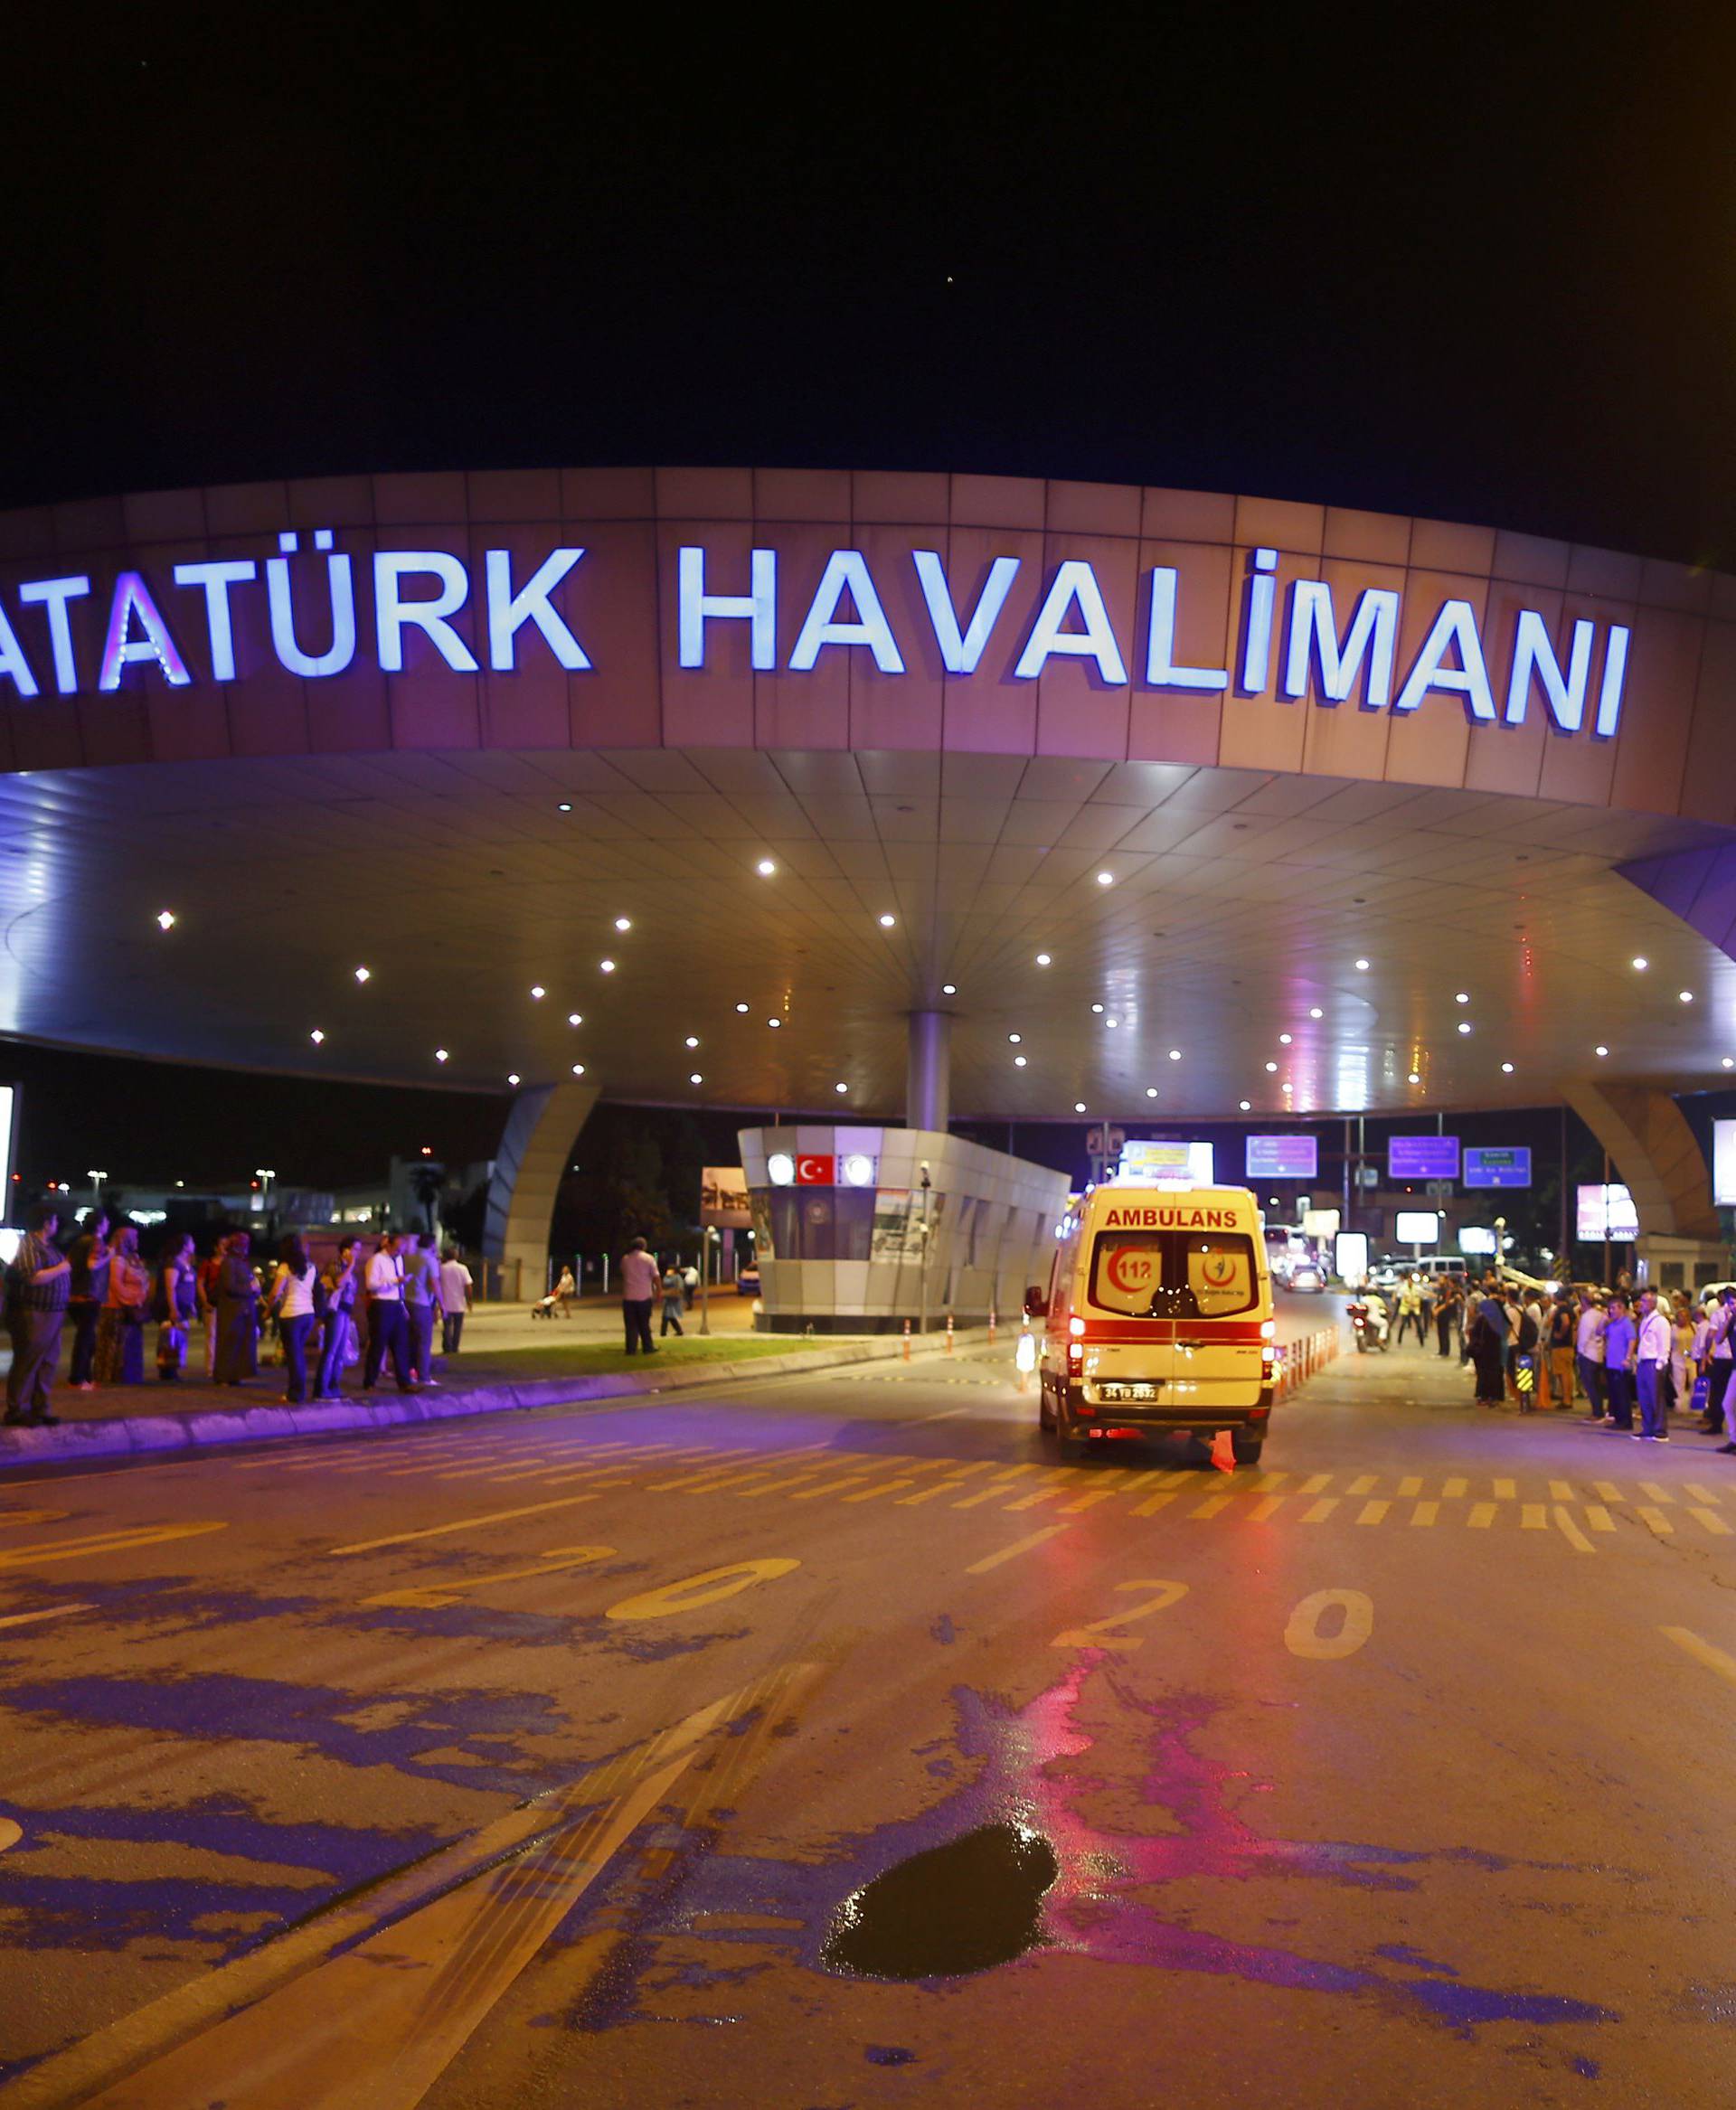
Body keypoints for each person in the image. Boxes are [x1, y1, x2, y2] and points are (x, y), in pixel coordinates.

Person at [5, 1205, 70, 1427]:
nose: (57, 1225)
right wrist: (62, 1269)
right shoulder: (30, 1245)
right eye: (54, 1221)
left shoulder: (48, 1246)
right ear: (46, 1223)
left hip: (53, 1313)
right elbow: (33, 1277)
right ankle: (18, 1409)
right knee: (28, 1361)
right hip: (34, 1312)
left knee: (47, 1362)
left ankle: (40, 1406)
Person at [262, 1234, 321, 1406]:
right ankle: (297, 1391)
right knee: (298, 1354)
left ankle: (295, 1393)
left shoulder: (285, 1267)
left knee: (294, 1356)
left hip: (291, 1315)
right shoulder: (311, 1266)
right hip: (308, 1314)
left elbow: (275, 1292)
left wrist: (267, 1310)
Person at [93, 1225, 149, 1384]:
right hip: (116, 1308)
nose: (137, 1241)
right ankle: (111, 1376)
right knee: (114, 1344)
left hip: (131, 1308)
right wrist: (133, 1299)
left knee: (129, 1345)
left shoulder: (132, 1259)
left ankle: (129, 1376)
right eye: (134, 1238)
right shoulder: (117, 1260)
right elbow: (115, 1284)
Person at [363, 1230, 415, 1393]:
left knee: (400, 1344)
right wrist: (393, 1282)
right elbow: (371, 1285)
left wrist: (402, 1304)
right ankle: (370, 1380)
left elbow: (400, 1286)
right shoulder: (376, 1260)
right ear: (388, 1245)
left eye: (402, 1249)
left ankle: (404, 1382)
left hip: (396, 1305)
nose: (400, 1252)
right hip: (382, 1305)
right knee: (378, 1344)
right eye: (398, 1248)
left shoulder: (399, 1259)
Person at [65, 1209, 111, 1390]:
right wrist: (109, 1255)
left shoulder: (78, 1242)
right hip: (89, 1296)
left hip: (73, 1296)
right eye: (106, 1222)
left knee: (87, 1338)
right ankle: (78, 1378)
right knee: (85, 1339)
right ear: (99, 1225)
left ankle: (85, 1377)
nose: (108, 1225)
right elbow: (93, 1264)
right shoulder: (96, 1241)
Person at [212, 1230, 260, 1384]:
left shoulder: (241, 1262)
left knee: (239, 1344)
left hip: (242, 1310)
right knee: (228, 1343)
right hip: (231, 1310)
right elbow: (229, 1286)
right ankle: (223, 1376)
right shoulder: (229, 1262)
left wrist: (255, 1289)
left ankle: (234, 1375)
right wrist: (250, 1288)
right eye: (244, 1244)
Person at [315, 1238, 361, 1400]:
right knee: (331, 1350)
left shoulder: (347, 1267)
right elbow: (340, 1282)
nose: (357, 1253)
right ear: (345, 1250)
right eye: (355, 1249)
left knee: (340, 1351)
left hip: (345, 1311)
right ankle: (322, 1388)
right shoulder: (335, 1265)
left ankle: (333, 1386)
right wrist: (351, 1265)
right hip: (335, 1311)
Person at [400, 1230, 443, 1386]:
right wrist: (442, 1304)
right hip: (422, 1303)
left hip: (406, 1302)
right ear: (432, 1244)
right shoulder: (429, 1260)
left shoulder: (408, 1258)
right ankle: (424, 1376)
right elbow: (434, 1284)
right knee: (424, 1341)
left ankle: (410, 1371)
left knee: (410, 1341)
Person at [155, 1233, 197, 1380]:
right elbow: (170, 1287)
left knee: (179, 1338)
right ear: (185, 1245)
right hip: (173, 1307)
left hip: (183, 1307)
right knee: (168, 1337)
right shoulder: (173, 1263)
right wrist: (173, 1308)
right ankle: (166, 1369)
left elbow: (188, 1286)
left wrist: (191, 1304)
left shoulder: (186, 1264)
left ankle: (173, 1366)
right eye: (191, 1242)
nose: (194, 1245)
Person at [1635, 1286, 1672, 1443]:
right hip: (1643, 1362)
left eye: (1644, 1301)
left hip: (1653, 1362)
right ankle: (1648, 1428)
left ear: (1652, 1303)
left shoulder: (1661, 1322)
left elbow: (1664, 1344)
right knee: (1644, 1398)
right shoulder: (1644, 1320)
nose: (1641, 1304)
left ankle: (1660, 1430)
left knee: (1656, 1397)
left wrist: (1660, 1364)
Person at [1602, 1293, 1637, 1433]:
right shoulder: (1612, 1324)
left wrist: (1627, 1358)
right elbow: (1600, 1332)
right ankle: (1617, 1418)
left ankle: (1625, 1421)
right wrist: (1604, 1319)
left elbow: (1632, 1340)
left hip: (1621, 1363)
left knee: (1623, 1394)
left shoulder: (1626, 1323)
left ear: (1622, 1309)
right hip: (1611, 1362)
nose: (1612, 1310)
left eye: (1615, 1308)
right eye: (1610, 1308)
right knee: (1615, 1393)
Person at [619, 1237, 660, 1353]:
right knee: (644, 1324)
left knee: (630, 1325)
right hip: (644, 1296)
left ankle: (631, 1349)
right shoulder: (649, 1259)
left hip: (629, 1297)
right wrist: (659, 1292)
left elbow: (623, 1272)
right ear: (643, 1246)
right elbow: (656, 1277)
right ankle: (647, 1347)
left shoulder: (625, 1259)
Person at [198, 1233, 229, 1377]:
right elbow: (200, 1284)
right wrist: (205, 1302)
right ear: (216, 1247)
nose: (225, 1247)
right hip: (213, 1303)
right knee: (212, 1335)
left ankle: (223, 1365)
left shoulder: (231, 1263)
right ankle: (210, 1367)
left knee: (226, 1336)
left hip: (228, 1304)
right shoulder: (208, 1264)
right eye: (222, 1244)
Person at [1467, 1291, 1505, 1408]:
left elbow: (1474, 1333)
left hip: (1483, 1352)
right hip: (1496, 1352)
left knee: (1484, 1374)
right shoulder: (1500, 1319)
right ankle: (1494, 1397)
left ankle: (1484, 1396)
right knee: (1495, 1374)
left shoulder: (1483, 1318)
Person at [1576, 1290, 1609, 1422]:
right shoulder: (1601, 1315)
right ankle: (1599, 1410)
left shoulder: (1587, 1317)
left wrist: (1580, 1352)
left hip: (1588, 1354)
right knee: (1597, 1385)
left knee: (1590, 1385)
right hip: (1599, 1353)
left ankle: (1597, 1412)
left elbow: (1584, 1336)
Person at [1546, 1290, 1578, 1412]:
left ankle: (1566, 1400)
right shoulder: (1570, 1309)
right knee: (1567, 1372)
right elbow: (1575, 1323)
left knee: (1563, 1373)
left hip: (1561, 1345)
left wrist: (1560, 1333)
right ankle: (1568, 1397)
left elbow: (1565, 1322)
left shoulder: (1562, 1310)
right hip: (1568, 1345)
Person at [439, 1248, 472, 1354]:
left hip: (446, 1302)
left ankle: (447, 1347)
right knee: (458, 1327)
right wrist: (469, 1300)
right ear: (456, 1256)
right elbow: (468, 1285)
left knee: (447, 1326)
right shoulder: (463, 1268)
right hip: (459, 1302)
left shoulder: (442, 1268)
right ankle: (455, 1347)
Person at [1433, 1276, 1460, 1358]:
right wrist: (1434, 1308)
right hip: (1439, 1313)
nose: (1439, 1281)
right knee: (1440, 1332)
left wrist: (1438, 1310)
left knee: (1445, 1332)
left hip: (1445, 1313)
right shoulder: (1440, 1290)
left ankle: (1446, 1351)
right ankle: (1441, 1350)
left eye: (1441, 1279)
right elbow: (1438, 1300)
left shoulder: (1448, 1290)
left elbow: (1447, 1303)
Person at [1395, 1272, 1424, 1347]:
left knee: (1419, 1326)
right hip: (1406, 1309)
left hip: (1415, 1309)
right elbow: (1400, 1295)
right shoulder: (1403, 1288)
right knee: (1402, 1325)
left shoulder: (1417, 1288)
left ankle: (1422, 1342)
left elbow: (1422, 1294)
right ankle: (1399, 1341)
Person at [660, 1258, 686, 1336]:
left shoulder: (677, 1277)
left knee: (666, 1315)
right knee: (669, 1315)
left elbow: (680, 1288)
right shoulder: (667, 1277)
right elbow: (663, 1285)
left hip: (674, 1299)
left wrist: (674, 1292)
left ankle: (663, 1333)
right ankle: (679, 1331)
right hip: (667, 1298)